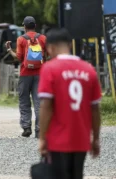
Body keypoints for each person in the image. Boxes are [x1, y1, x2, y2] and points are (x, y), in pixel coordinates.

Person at [38, 28, 101, 179]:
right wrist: (96, 138)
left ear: (51, 48)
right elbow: (95, 110)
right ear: (69, 45)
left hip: (57, 139)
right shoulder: (89, 70)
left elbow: (47, 106)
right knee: (77, 175)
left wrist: (42, 137)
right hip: (81, 137)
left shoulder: (50, 69)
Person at [6, 16, 47, 138]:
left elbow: (18, 57)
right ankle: (39, 130)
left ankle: (26, 127)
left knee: (24, 101)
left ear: (24, 26)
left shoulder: (21, 39)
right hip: (40, 74)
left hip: (25, 74)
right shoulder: (43, 38)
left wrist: (9, 50)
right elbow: (48, 55)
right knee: (39, 102)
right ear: (35, 25)